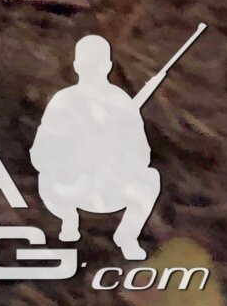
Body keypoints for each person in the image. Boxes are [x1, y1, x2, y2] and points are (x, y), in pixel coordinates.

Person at [33, 33, 163, 259]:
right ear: (76, 66)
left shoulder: (121, 102)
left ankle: (127, 236)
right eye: (87, 64)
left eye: (96, 64)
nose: (92, 70)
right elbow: (40, 152)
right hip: (69, 187)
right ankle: (68, 220)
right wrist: (71, 155)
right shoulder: (63, 101)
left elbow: (142, 154)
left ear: (108, 66)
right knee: (46, 179)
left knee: (150, 179)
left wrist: (116, 149)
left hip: (109, 187)